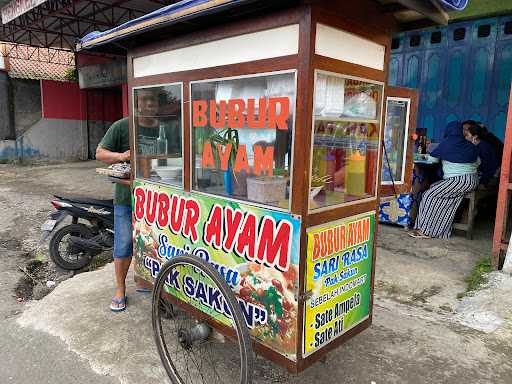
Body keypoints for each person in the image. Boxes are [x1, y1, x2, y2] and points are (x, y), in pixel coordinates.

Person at [96, 89, 159, 312]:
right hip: (126, 198)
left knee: (151, 243)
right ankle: (120, 289)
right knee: (124, 243)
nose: (150, 103)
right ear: (137, 103)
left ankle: (143, 279)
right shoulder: (123, 126)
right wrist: (122, 156)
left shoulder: (164, 127)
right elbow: (100, 153)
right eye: (145, 99)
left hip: (156, 198)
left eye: (153, 99)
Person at [410, 121, 479, 239]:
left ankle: (424, 230)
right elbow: (478, 162)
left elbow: (432, 159)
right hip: (472, 180)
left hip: (458, 181)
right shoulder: (469, 145)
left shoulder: (447, 143)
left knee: (428, 195)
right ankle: (441, 232)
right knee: (443, 196)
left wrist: (414, 156)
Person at [464, 122, 500, 186]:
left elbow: (488, 167)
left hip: (488, 178)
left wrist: (483, 183)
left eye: (467, 135)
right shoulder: (476, 145)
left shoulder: (484, 147)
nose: (465, 138)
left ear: (475, 136)